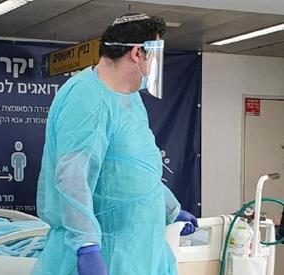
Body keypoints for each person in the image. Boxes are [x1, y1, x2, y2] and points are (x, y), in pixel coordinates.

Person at [33, 13, 198, 275]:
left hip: (141, 250)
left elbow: (136, 169)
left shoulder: (130, 99)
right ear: (137, 53)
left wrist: (170, 209)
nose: (153, 63)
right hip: (108, 252)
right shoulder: (87, 97)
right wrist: (86, 245)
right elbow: (73, 177)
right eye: (152, 55)